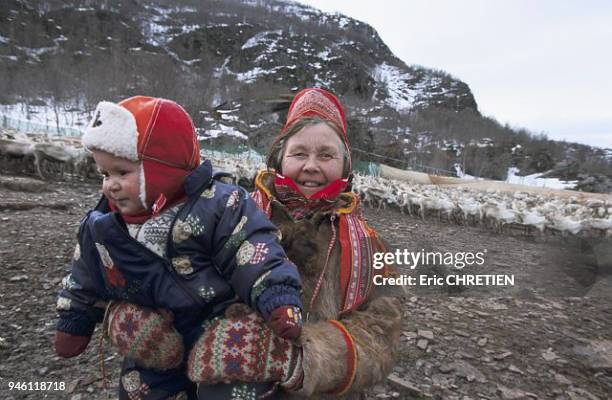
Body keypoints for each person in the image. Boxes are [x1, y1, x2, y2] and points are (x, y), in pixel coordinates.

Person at [53, 96, 305, 399]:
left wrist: (277, 296)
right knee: (142, 390)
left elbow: (251, 247)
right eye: (105, 174)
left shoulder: (219, 205)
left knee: (236, 380)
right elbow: (85, 274)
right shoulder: (103, 227)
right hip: (153, 332)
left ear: (164, 170)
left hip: (221, 325)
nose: (110, 185)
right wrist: (75, 318)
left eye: (122, 173)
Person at [187, 88, 404, 399]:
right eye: (299, 153)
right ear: (280, 158)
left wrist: (306, 360)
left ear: (345, 165)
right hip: (228, 381)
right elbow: (184, 278)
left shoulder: (369, 247)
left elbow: (381, 332)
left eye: (326, 155)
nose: (311, 165)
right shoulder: (232, 217)